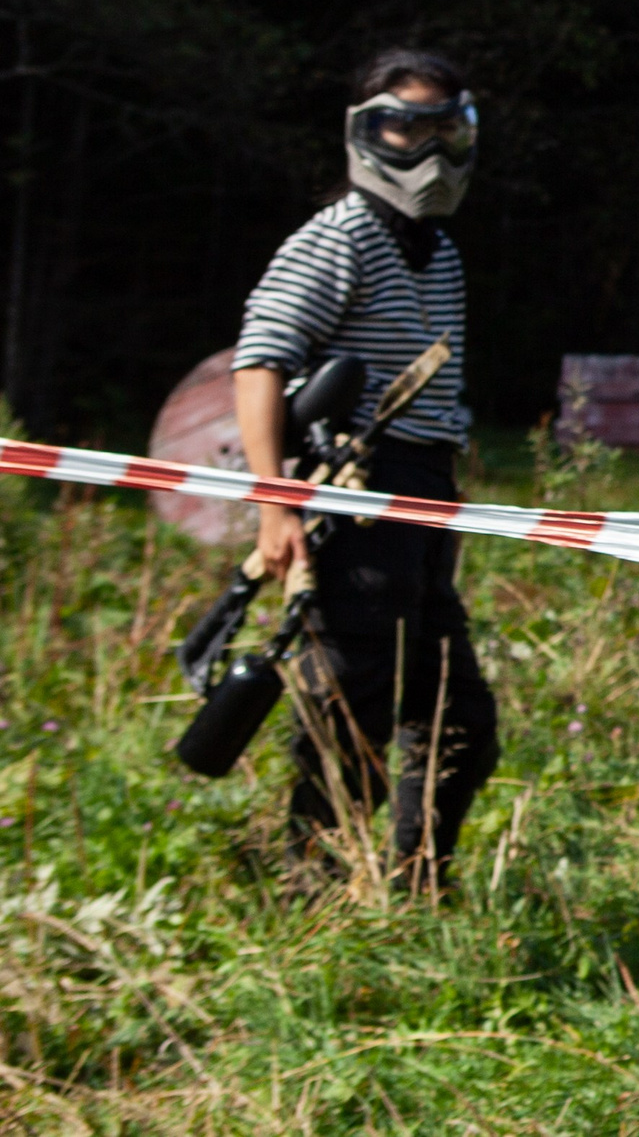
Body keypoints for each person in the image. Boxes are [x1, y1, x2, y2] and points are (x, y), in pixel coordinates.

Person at [232, 48, 498, 891]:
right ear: (366, 129)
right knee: (352, 707)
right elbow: (259, 363)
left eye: (444, 129)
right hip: (354, 502)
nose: (427, 152)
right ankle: (310, 886)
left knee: (460, 721)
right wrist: (277, 511)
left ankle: (418, 882)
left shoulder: (441, 250)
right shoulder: (335, 238)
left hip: (424, 503)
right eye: (405, 127)